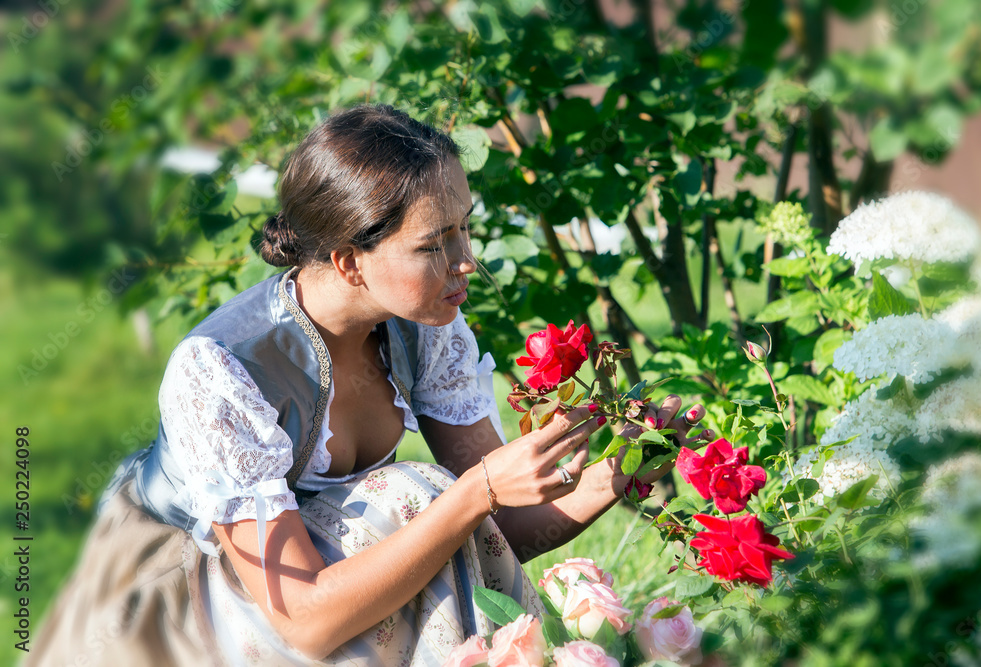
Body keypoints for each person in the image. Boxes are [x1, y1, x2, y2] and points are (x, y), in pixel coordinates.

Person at [28, 103, 710, 667]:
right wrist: (477, 490)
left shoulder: (423, 322)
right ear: (350, 260)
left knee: (431, 507)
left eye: (465, 228)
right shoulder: (219, 368)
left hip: (330, 583)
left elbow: (492, 534)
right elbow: (304, 619)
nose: (465, 261)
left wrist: (618, 470)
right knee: (419, 496)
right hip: (185, 604)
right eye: (434, 243)